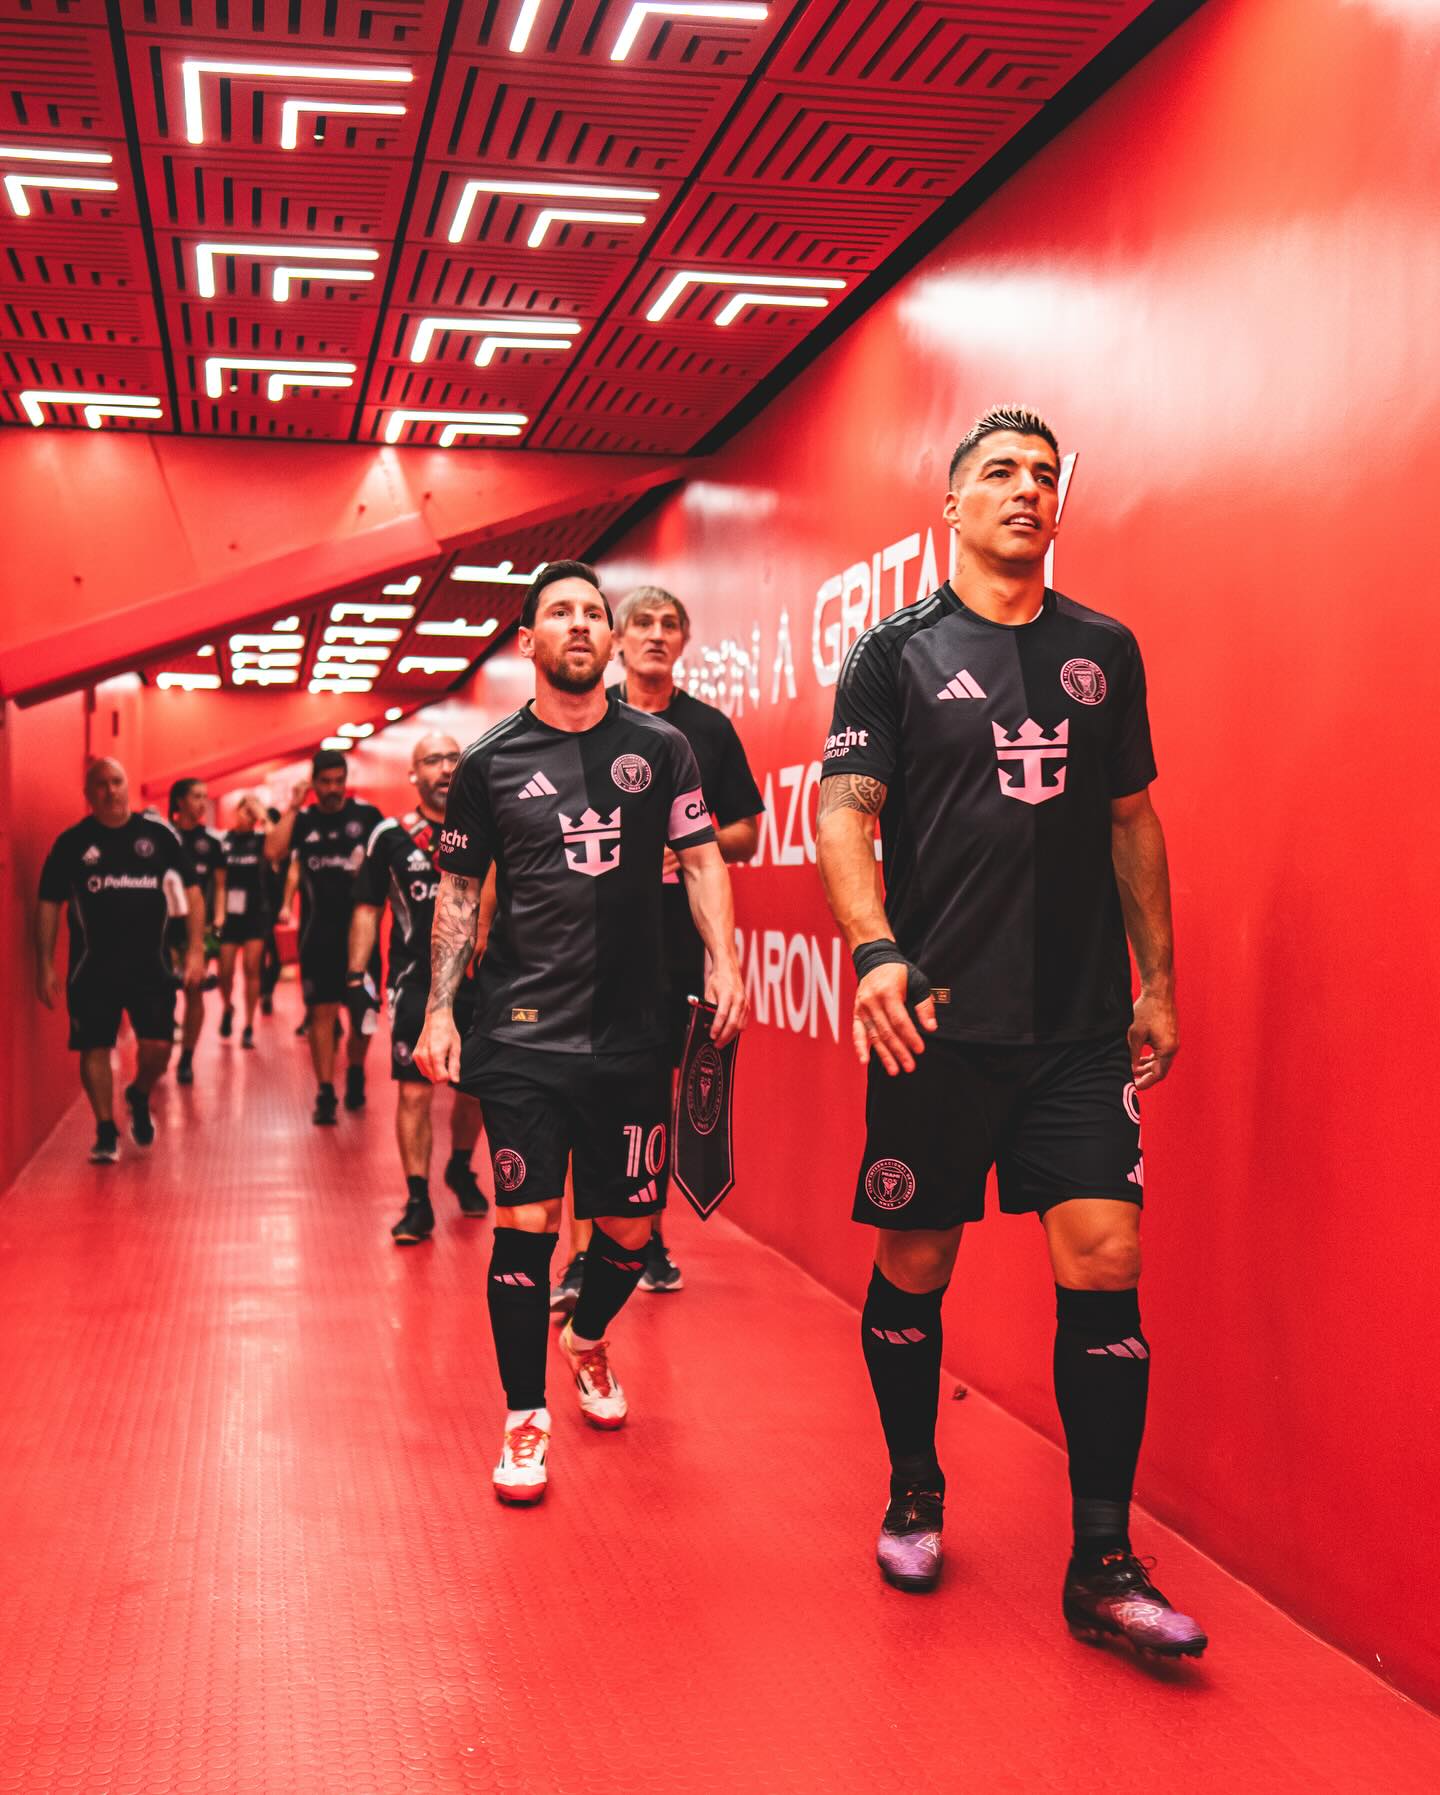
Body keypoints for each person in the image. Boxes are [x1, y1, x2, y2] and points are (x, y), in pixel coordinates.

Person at [814, 406, 1206, 1657]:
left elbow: (1132, 821)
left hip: (1081, 1027)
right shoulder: (895, 654)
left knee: (1103, 1256)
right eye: (999, 473)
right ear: (953, 507)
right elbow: (843, 811)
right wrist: (875, 948)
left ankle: (1101, 1560)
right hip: (937, 1024)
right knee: (918, 1264)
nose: (1027, 490)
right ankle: (916, 1484)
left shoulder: (1106, 649)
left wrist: (1159, 980)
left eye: (1044, 475)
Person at [415, 560, 746, 1506]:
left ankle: (586, 1337)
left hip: (634, 1031)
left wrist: (722, 959)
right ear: (528, 641)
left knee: (632, 1235)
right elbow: (459, 892)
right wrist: (442, 1005)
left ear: (609, 640)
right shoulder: (489, 763)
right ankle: (525, 1419)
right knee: (524, 1231)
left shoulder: (663, 749)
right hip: (520, 1035)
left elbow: (698, 857)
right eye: (557, 612)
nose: (577, 624)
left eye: (590, 613)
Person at [548, 584, 764, 1312]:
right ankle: (582, 1255)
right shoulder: (585, 713)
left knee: (656, 1086)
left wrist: (684, 845)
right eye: (641, 622)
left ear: (684, 639)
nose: (655, 634)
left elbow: (744, 833)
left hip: (677, 933)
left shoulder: (706, 728)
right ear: (617, 637)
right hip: (593, 931)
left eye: (670, 623)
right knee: (585, 1087)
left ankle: (646, 1236)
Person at [348, 733, 491, 1244]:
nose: (447, 768)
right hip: (414, 982)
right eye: (433, 760)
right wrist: (356, 974)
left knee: (473, 1090)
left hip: (481, 982)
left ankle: (459, 1167)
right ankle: (416, 1200)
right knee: (413, 1091)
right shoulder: (390, 836)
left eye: (455, 757)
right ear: (414, 774)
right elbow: (367, 910)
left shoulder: (487, 825)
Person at [35, 758, 205, 1161]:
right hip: (92, 968)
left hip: (151, 967)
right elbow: (47, 903)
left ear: (127, 786)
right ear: (88, 794)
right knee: (94, 1045)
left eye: (117, 782)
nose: (110, 791)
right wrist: (44, 963)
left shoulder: (158, 837)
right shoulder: (72, 843)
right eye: (100, 785)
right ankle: (105, 1129)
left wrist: (197, 949)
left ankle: (139, 1093)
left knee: (159, 1047)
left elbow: (193, 892)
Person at [264, 750, 383, 1124]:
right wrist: (293, 806)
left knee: (363, 1014)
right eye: (325, 782)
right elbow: (272, 851)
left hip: (361, 937)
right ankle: (326, 1091)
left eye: (338, 781)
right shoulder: (303, 820)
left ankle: (356, 1070)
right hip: (318, 934)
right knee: (321, 1012)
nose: (333, 789)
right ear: (314, 783)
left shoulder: (366, 817)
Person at [168, 777, 225, 1085]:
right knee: (163, 993)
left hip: (197, 929)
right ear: (180, 801)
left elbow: (220, 884)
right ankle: (161, 1046)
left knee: (194, 991)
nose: (202, 802)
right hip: (164, 929)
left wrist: (218, 920)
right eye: (196, 797)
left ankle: (187, 1058)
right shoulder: (164, 838)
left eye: (206, 796)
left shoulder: (211, 843)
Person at [216, 794, 272, 1050]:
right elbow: (219, 884)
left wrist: (262, 813)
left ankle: (249, 1025)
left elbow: (277, 842)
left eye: (251, 814)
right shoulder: (225, 841)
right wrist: (218, 915)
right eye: (244, 811)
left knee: (252, 968)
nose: (247, 817)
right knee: (225, 971)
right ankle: (228, 1007)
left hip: (255, 914)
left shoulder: (262, 840)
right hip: (230, 915)